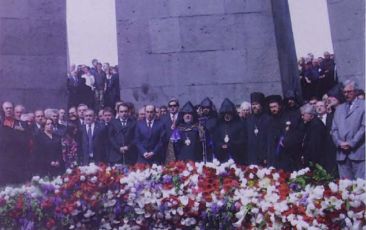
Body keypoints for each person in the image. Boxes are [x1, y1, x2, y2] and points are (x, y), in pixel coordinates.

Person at [331, 80, 365, 179]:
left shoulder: (363, 105)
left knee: (361, 188)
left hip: (358, 153)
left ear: (355, 91)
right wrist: (339, 143)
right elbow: (334, 130)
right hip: (342, 155)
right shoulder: (339, 108)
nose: (346, 94)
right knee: (345, 189)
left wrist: (351, 143)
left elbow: (364, 128)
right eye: (344, 92)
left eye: (349, 91)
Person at [266, 95, 302, 171]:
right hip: (274, 156)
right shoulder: (270, 120)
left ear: (280, 106)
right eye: (271, 107)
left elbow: (295, 134)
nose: (273, 109)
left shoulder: (288, 117)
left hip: (287, 155)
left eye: (275, 106)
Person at [0, 101, 31, 185]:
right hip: (4, 161)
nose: (9, 110)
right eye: (6, 108)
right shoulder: (1, 124)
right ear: (3, 110)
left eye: (10, 108)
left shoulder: (22, 124)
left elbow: (27, 141)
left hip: (18, 161)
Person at [214, 98, 246, 164]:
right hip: (222, 158)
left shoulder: (239, 125)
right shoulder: (219, 125)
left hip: (236, 158)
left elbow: (243, 141)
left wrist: (230, 145)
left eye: (229, 113)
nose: (227, 115)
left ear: (232, 114)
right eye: (225, 113)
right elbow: (215, 140)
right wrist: (221, 145)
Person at [246, 92, 271, 166]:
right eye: (253, 104)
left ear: (261, 105)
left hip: (264, 157)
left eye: (256, 104)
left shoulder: (268, 119)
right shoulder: (249, 119)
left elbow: (269, 141)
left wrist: (266, 156)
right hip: (252, 158)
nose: (254, 106)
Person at [299, 104, 327, 168]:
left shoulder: (316, 125)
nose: (302, 117)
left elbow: (314, 145)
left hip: (315, 160)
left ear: (311, 115)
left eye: (303, 115)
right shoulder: (310, 124)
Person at [315, 100, 338, 176]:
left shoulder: (332, 117)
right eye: (317, 106)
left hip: (331, 147)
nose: (319, 108)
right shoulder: (314, 120)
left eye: (321, 106)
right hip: (320, 150)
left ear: (325, 107)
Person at [198, 97, 218, 162]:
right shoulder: (199, 119)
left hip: (212, 145)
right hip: (201, 146)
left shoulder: (215, 119)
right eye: (204, 108)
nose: (205, 110)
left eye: (207, 108)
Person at [161, 98, 180, 163]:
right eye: (170, 106)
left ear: (178, 107)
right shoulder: (163, 118)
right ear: (168, 108)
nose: (172, 108)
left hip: (180, 145)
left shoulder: (182, 117)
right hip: (168, 147)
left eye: (174, 106)